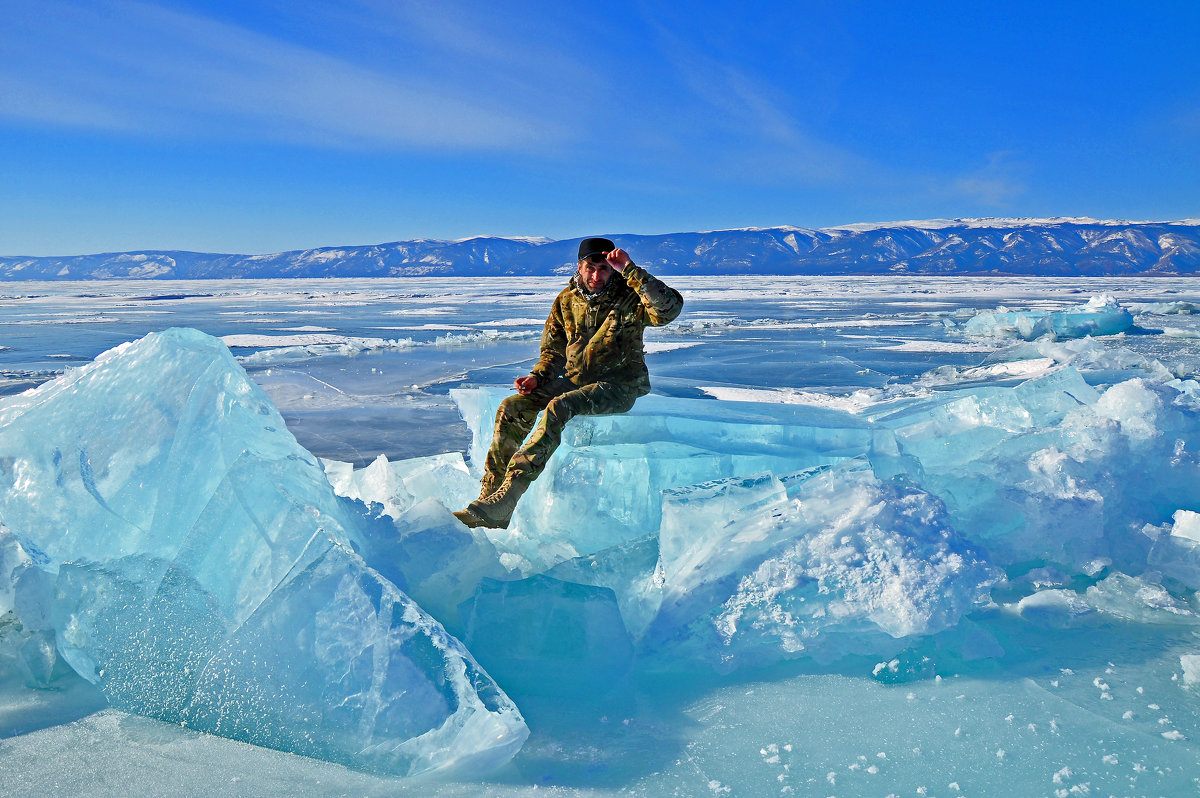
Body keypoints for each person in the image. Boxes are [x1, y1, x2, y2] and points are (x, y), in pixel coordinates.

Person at [454, 237, 684, 529]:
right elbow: (552, 352)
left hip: (618, 386)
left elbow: (669, 310)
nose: (596, 276)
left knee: (560, 407)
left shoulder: (631, 297)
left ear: (612, 269)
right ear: (579, 266)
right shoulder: (566, 300)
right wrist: (536, 378)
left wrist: (629, 269)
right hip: (574, 381)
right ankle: (490, 495)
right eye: (591, 268)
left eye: (604, 268)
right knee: (511, 407)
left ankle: (511, 493)